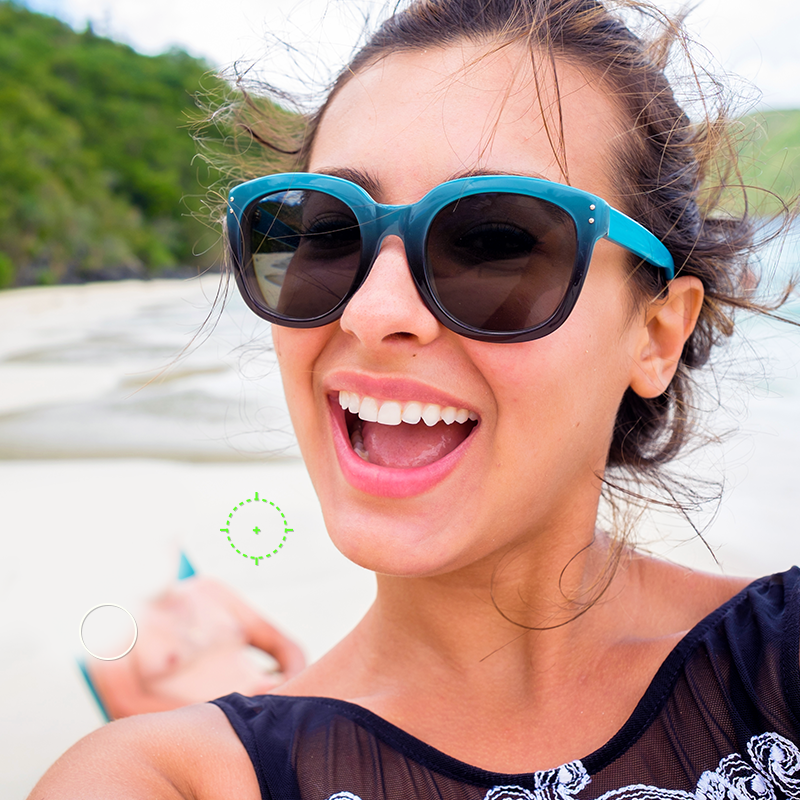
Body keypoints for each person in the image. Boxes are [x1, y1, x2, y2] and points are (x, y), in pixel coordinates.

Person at [29, 0, 799, 797]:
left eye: (495, 239)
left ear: (658, 335)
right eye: (327, 233)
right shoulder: (166, 779)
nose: (372, 310)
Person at [82, 574, 306, 720]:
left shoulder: (210, 589)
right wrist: (228, 713)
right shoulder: (108, 624)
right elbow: (123, 706)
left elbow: (284, 645)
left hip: (273, 705)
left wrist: (291, 684)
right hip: (211, 730)